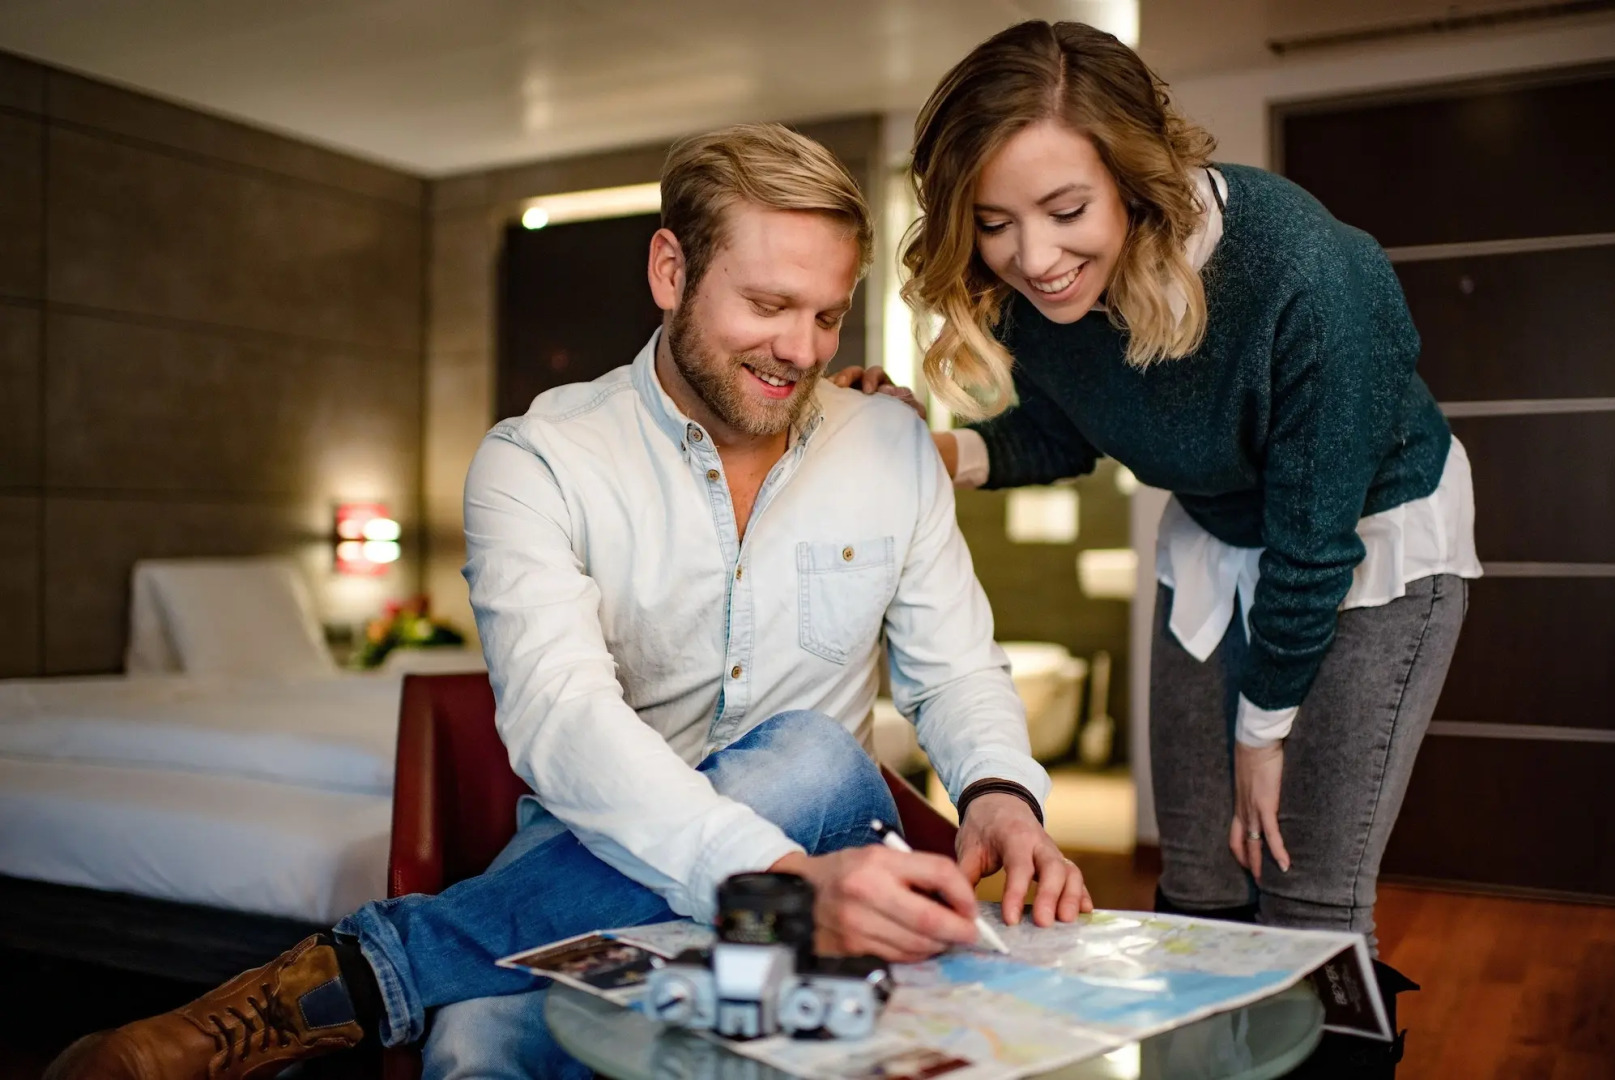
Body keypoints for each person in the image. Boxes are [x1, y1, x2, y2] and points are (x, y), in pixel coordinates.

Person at [47, 122, 1089, 1080]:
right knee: (472, 1045)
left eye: (826, 315)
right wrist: (764, 872)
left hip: (815, 883)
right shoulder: (536, 461)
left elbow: (955, 668)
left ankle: (349, 983)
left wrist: (1001, 791)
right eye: (767, 306)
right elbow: (563, 720)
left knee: (813, 757)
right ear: (670, 270)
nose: (803, 351)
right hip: (612, 860)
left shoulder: (890, 444)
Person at [835, 17, 1479, 1039]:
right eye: (995, 221)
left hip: (1369, 554)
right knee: (1197, 877)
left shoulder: (1310, 274)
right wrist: (933, 447)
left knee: (1302, 891)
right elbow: (1061, 428)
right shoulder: (1033, 287)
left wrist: (1263, 732)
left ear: (1139, 176)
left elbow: (1316, 541)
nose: (1034, 257)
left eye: (1065, 209)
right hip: (1215, 541)